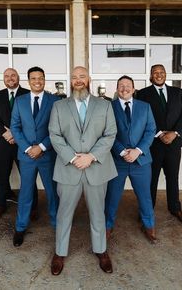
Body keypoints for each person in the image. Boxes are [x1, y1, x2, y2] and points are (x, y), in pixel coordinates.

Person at [49, 66, 117, 275]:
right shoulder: (59, 106)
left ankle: (101, 250)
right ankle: (60, 253)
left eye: (82, 76)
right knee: (64, 214)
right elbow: (54, 134)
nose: (78, 80)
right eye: (74, 77)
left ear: (89, 79)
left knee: (98, 213)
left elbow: (110, 133)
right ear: (70, 81)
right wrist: (72, 157)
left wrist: (91, 156)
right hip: (69, 168)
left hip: (96, 167)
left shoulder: (104, 106)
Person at [10, 66, 59, 247]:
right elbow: (15, 127)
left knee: (53, 192)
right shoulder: (20, 101)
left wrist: (42, 147)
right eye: (33, 78)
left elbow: (57, 129)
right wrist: (27, 148)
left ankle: (57, 224)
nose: (37, 81)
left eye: (40, 78)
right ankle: (20, 227)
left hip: (48, 155)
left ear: (45, 79)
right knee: (25, 192)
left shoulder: (54, 100)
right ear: (28, 81)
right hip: (27, 156)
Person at [105, 76, 157, 244]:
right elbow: (106, 133)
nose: (124, 88)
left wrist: (138, 151)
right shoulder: (108, 107)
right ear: (116, 89)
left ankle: (149, 225)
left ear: (134, 89)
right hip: (117, 161)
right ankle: (107, 225)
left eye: (128, 86)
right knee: (112, 196)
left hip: (141, 161)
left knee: (145, 196)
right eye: (121, 85)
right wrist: (121, 151)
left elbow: (150, 130)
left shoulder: (145, 107)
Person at [137, 64, 182, 224]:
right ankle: (147, 209)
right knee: (151, 178)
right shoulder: (142, 94)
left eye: (161, 72)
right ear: (151, 76)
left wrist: (174, 133)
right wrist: (160, 133)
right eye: (155, 72)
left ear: (166, 75)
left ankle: (175, 208)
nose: (159, 75)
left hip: (174, 142)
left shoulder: (178, 92)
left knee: (173, 177)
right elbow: (141, 117)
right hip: (153, 143)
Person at [0, 68, 31, 221]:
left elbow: (31, 117)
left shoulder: (27, 94)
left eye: (13, 75)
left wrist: (15, 133)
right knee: (2, 175)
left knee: (27, 175)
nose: (10, 78)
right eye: (6, 76)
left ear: (18, 77)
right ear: (4, 79)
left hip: (23, 142)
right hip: (3, 142)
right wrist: (4, 132)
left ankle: (31, 207)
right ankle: (0, 205)